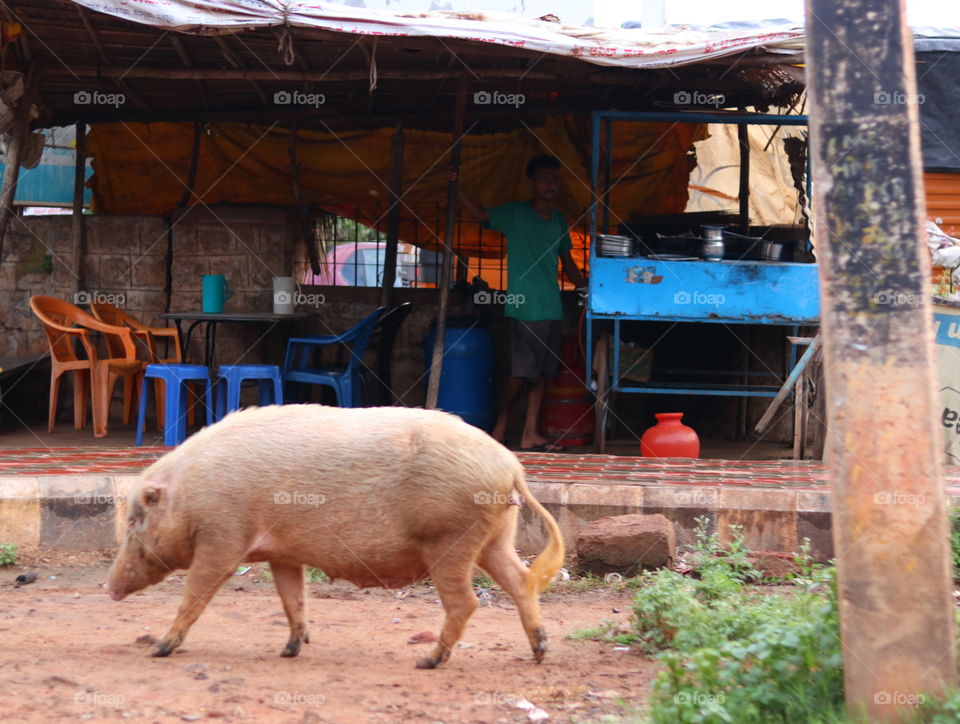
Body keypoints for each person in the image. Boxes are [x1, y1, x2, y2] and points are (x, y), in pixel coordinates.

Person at [457, 154, 586, 450]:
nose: (550, 185)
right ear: (532, 182)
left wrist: (583, 288)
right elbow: (479, 215)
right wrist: (457, 188)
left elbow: (567, 260)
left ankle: (530, 433)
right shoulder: (515, 214)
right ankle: (499, 430)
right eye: (544, 179)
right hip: (524, 306)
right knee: (520, 373)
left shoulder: (558, 220)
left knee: (541, 373)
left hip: (550, 306)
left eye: (554, 179)